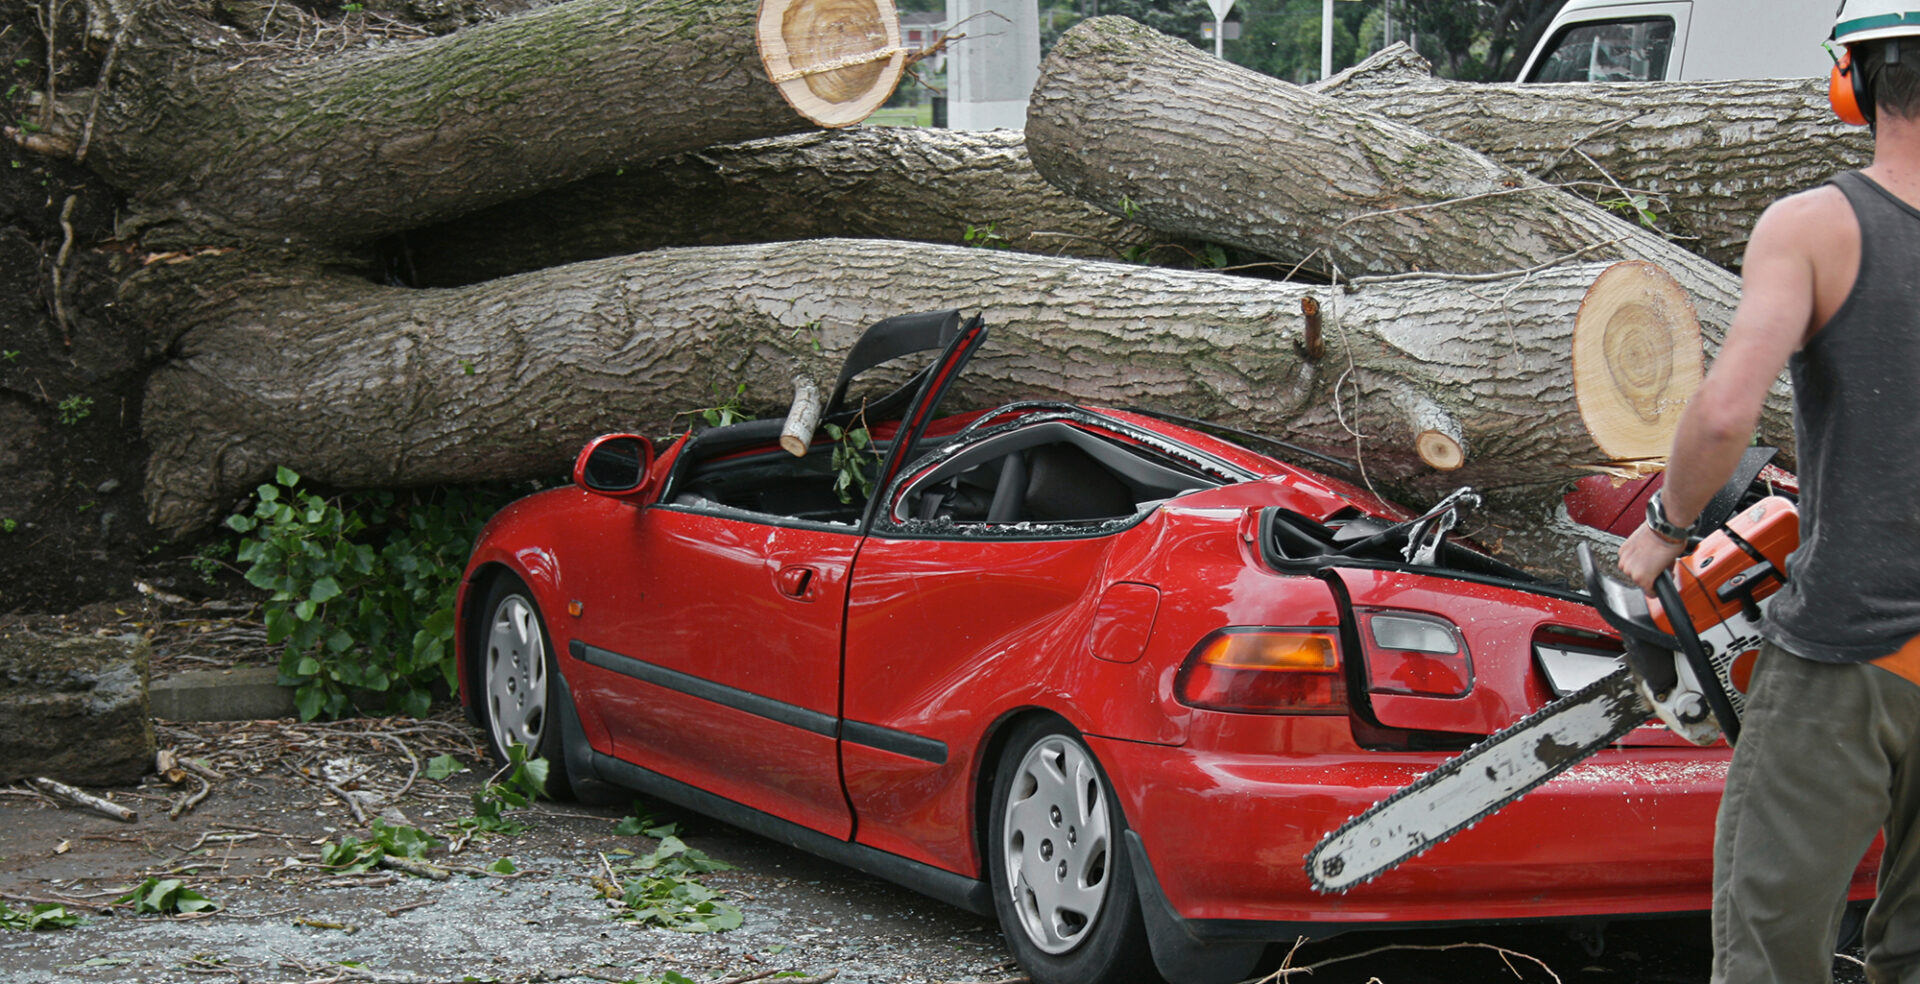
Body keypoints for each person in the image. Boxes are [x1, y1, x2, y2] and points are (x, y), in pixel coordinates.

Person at [1616, 4, 1920, 982]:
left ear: (1854, 82)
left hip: (1852, 650)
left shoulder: (1818, 226)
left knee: (1768, 954)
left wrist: (1664, 530)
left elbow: (1721, 414)